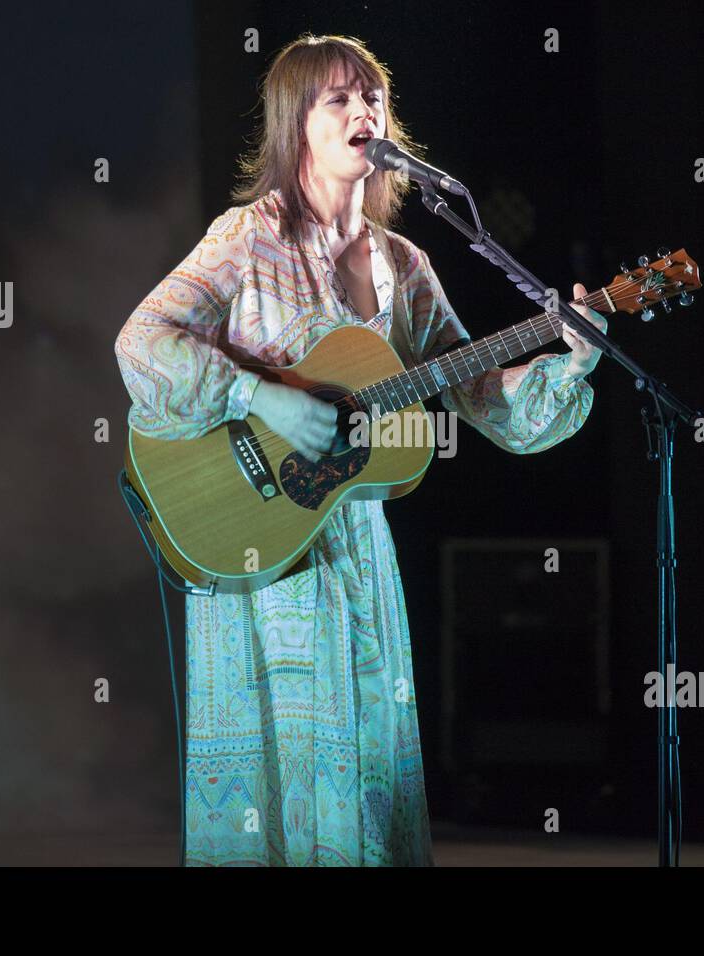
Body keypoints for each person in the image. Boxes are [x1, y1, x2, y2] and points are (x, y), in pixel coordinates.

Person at [114, 34, 605, 866]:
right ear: (294, 125)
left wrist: (574, 358)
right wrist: (259, 393)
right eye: (336, 99)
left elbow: (480, 396)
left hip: (354, 555)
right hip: (255, 543)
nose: (361, 112)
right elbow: (142, 342)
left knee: (362, 804)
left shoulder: (406, 264)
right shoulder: (248, 239)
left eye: (370, 96)